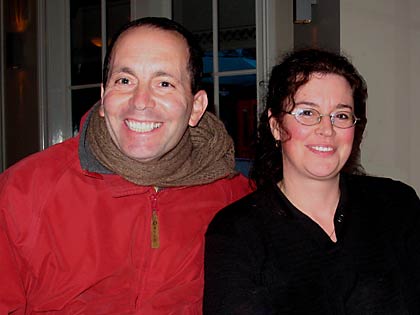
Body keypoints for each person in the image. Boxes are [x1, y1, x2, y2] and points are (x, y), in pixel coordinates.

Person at [0, 17, 252, 314]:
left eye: (164, 83)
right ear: (104, 97)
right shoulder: (22, 192)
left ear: (195, 107)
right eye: (125, 80)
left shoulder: (234, 197)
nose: (140, 101)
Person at [203, 48, 420, 314]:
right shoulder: (236, 231)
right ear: (276, 126)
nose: (326, 130)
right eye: (307, 113)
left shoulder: (397, 204)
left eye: (340, 115)